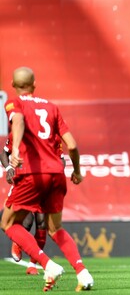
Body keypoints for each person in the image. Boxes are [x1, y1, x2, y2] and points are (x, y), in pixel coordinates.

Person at [1, 66, 94, 291]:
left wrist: (15, 149)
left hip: (32, 174)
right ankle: (83, 273)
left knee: (8, 223)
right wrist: (77, 171)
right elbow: (72, 145)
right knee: (56, 228)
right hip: (56, 174)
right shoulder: (52, 107)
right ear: (34, 84)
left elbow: (18, 121)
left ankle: (47, 265)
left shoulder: (14, 103)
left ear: (12, 85)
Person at [1, 137, 48, 275]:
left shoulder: (50, 135)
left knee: (42, 222)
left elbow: (61, 158)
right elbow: (4, 153)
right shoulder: (18, 133)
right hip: (24, 181)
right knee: (27, 221)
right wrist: (9, 168)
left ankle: (32, 265)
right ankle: (18, 242)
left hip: (43, 182)